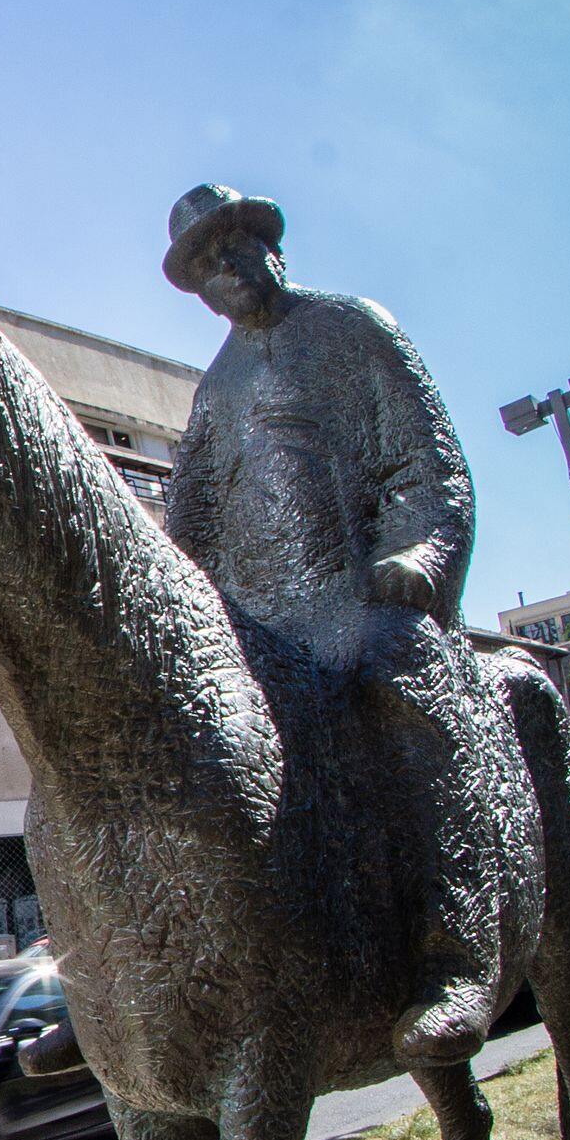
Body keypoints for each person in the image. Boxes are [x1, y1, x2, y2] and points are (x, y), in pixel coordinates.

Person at [161, 183, 490, 1062]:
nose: (227, 272)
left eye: (235, 247)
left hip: (355, 606)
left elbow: (433, 467)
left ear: (271, 246)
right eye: (206, 266)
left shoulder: (353, 329)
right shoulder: (215, 390)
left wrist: (419, 556)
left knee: (399, 668)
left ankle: (457, 952)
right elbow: (187, 524)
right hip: (261, 633)